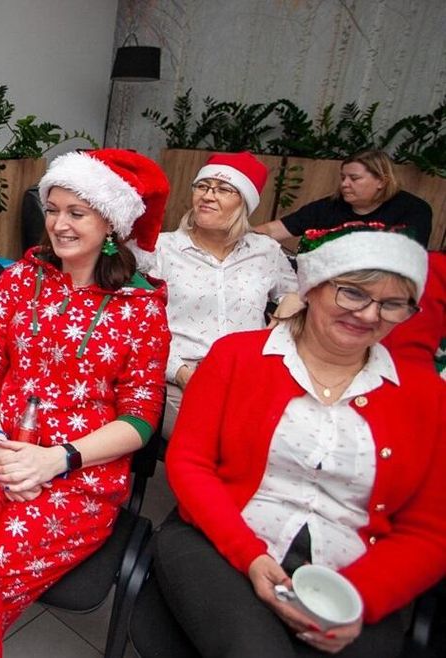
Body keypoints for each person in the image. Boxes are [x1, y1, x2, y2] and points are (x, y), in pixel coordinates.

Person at [0, 149, 171, 657]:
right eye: (52, 209)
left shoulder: (141, 310)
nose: (58, 224)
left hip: (80, 473)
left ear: (111, 222)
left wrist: (57, 458)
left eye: (76, 212)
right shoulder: (16, 281)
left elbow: (141, 419)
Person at [148, 224, 446, 657]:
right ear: (313, 287)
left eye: (392, 304)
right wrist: (250, 555)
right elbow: (190, 464)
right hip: (220, 543)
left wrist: (360, 597)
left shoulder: (427, 398)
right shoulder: (237, 357)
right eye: (353, 293)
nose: (368, 314)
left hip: (351, 574)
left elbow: (432, 529)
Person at [141, 152, 300, 438]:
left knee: (282, 435)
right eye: (202, 186)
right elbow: (141, 327)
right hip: (180, 376)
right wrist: (180, 372)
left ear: (245, 203)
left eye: (223, 189)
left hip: (247, 377)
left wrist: (280, 320)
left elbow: (299, 295)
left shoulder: (265, 252)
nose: (208, 196)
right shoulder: (161, 250)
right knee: (222, 439)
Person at [255, 149, 432, 247]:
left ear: (381, 181)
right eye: (342, 178)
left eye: (354, 179)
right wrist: (234, 236)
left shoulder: (413, 210)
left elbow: (410, 256)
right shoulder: (327, 207)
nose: (344, 184)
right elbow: (274, 230)